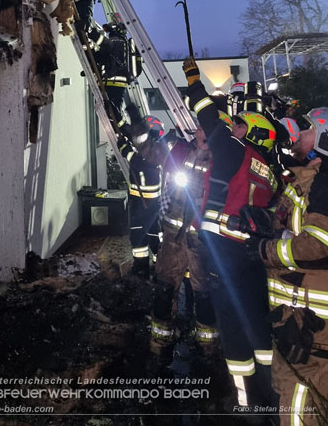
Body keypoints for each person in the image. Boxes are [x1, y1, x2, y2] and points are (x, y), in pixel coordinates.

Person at [183, 57, 278, 410]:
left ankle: (246, 402)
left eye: (238, 125)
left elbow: (207, 114)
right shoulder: (269, 170)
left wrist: (193, 80)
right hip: (254, 256)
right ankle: (271, 394)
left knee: (234, 328)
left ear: (247, 134)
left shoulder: (234, 150)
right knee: (258, 321)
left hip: (224, 253)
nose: (231, 127)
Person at [247, 108, 328, 425]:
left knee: (299, 405)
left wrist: (264, 249)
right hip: (298, 318)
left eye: (306, 129)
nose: (297, 135)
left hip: (312, 327)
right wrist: (265, 221)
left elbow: (317, 244)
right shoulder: (309, 180)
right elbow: (296, 227)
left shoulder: (324, 185)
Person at [150, 122, 219, 362]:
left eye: (202, 126)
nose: (198, 129)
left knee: (203, 291)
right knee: (165, 286)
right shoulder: (182, 149)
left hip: (200, 238)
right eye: (198, 127)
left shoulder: (220, 158)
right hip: (173, 234)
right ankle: (160, 344)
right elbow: (157, 158)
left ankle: (207, 348)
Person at [118, 115, 168, 278]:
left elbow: (135, 160)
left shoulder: (147, 154)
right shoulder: (158, 148)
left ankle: (143, 269)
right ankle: (155, 266)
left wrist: (123, 147)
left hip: (141, 204)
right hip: (152, 204)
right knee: (151, 235)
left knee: (139, 236)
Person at [90, 22, 142, 131]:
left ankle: (124, 130)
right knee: (108, 110)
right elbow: (99, 57)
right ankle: (121, 129)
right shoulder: (118, 43)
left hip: (115, 83)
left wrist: (92, 34)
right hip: (109, 82)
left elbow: (106, 44)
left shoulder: (119, 41)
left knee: (112, 110)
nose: (108, 33)